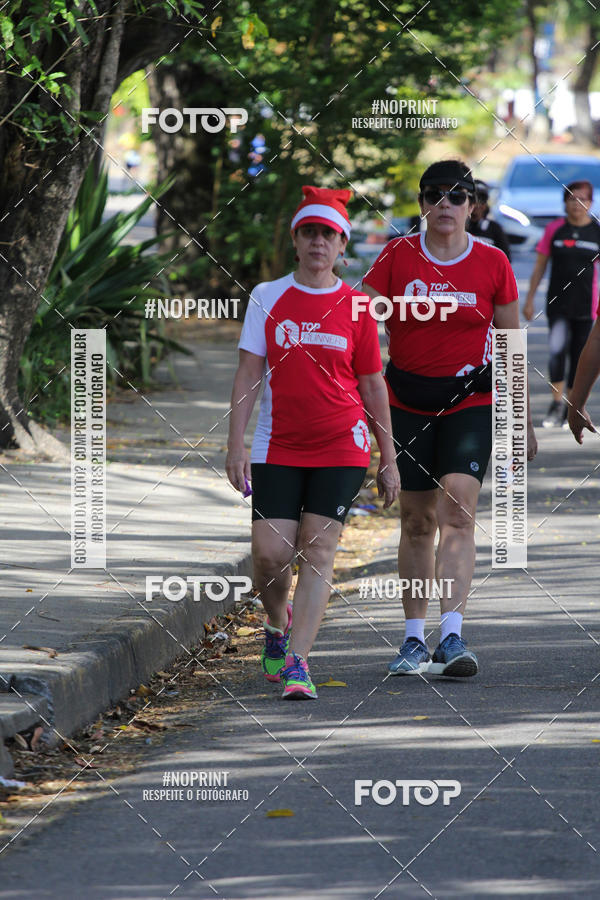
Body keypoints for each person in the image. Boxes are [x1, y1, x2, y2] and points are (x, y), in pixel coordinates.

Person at [362, 159, 537, 678]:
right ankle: (414, 640)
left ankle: (453, 636)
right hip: (407, 400)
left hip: (471, 401)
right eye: (435, 194)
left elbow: (510, 343)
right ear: (421, 203)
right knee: (416, 520)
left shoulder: (491, 261)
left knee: (458, 513)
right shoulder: (395, 256)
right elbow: (359, 321)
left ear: (472, 206)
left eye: (457, 196)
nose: (446, 204)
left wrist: (519, 417)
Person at [226, 185, 400, 700]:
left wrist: (388, 458)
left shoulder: (358, 306)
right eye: (310, 232)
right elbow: (248, 374)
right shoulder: (267, 296)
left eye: (329, 233)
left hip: (342, 445)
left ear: (342, 246)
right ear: (296, 240)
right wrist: (234, 445)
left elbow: (372, 385)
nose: (319, 241)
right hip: (277, 443)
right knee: (269, 553)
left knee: (318, 548)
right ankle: (276, 624)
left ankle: (298, 660)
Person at [523, 180, 600, 428]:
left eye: (582, 199)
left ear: (590, 203)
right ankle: (556, 405)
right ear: (564, 202)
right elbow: (540, 265)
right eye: (571, 198)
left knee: (579, 356)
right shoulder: (555, 229)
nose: (576, 204)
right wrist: (529, 299)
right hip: (558, 304)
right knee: (557, 352)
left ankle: (571, 406)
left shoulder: (597, 231)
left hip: (587, 305)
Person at [466, 180, 512, 261]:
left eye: (481, 200)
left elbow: (506, 260)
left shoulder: (495, 229)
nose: (476, 205)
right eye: (472, 200)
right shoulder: (459, 228)